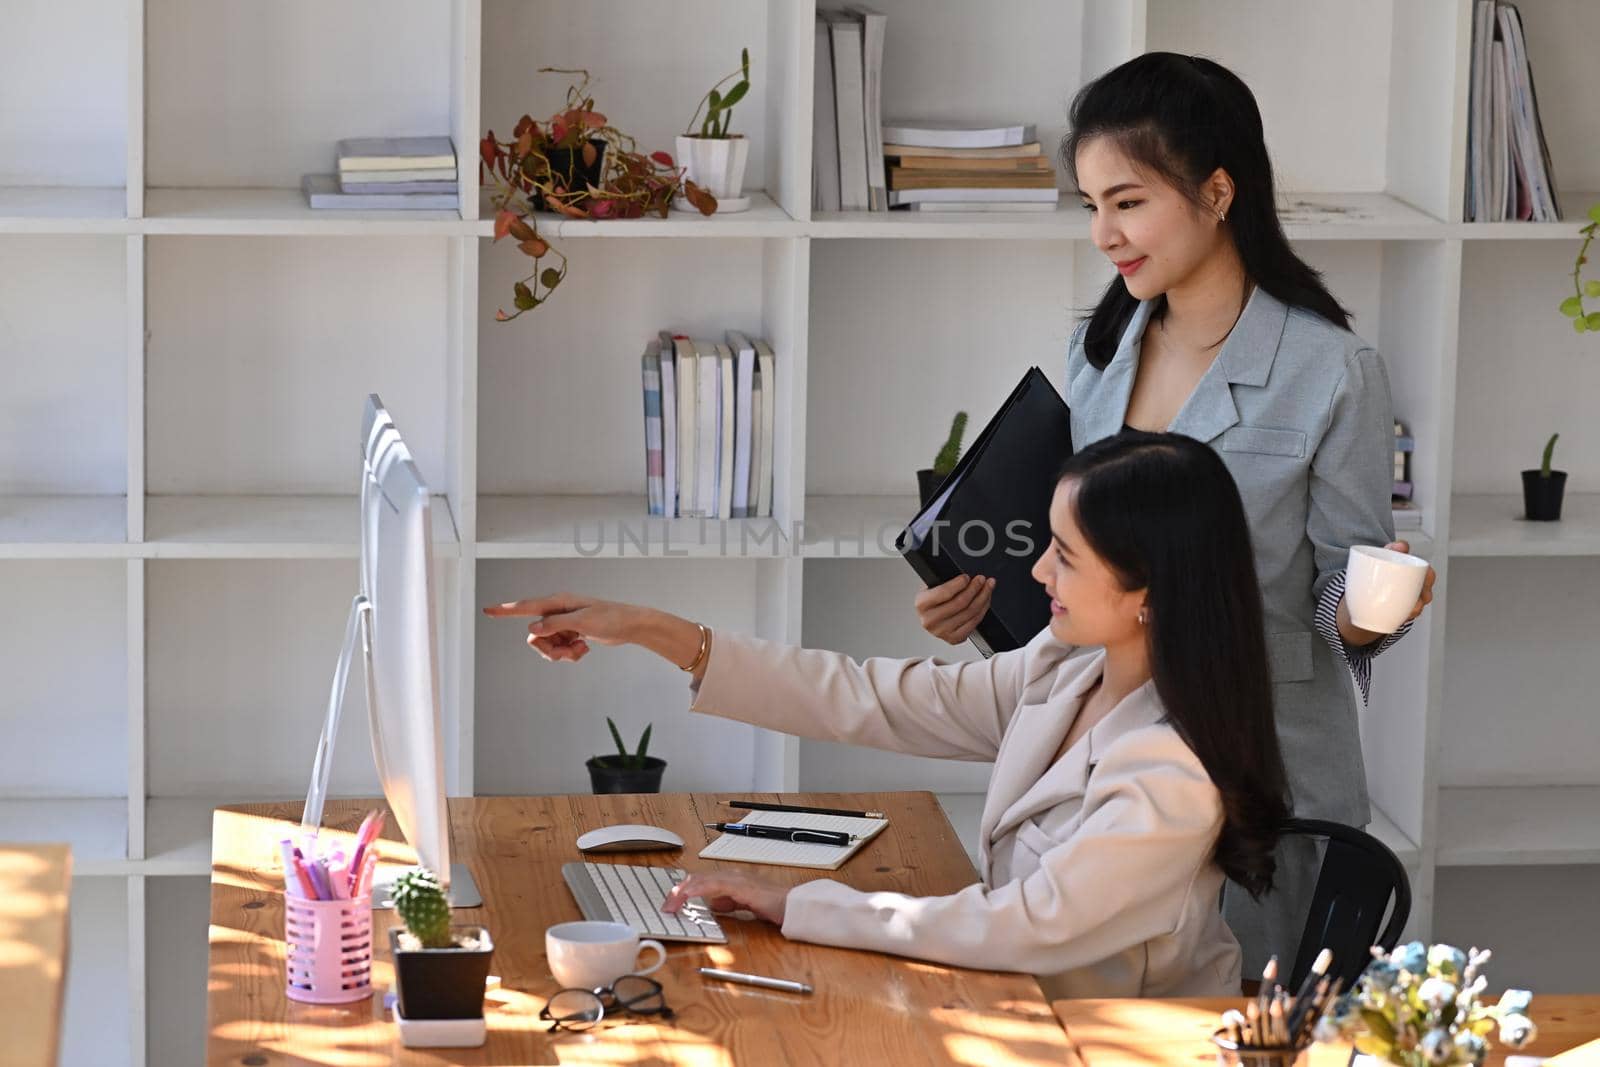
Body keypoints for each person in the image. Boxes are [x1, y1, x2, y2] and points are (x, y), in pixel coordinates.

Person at [909, 52, 1436, 974]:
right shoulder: (1098, 347)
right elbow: (1096, 558)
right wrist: (988, 605)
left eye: (1129, 201)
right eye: (1091, 206)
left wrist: (1366, 611)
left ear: (1219, 190)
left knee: (1230, 1029)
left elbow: (1332, 601)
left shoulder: (1332, 370)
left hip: (1254, 780)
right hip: (1104, 771)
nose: (1105, 234)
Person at [485, 432, 1291, 999]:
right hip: (1012, 998)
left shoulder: (1169, 771)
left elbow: (1027, 925)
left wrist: (796, 901)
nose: (1039, 568)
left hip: (1096, 1040)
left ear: (1150, 591)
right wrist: (650, 628)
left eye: (1066, 556)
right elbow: (871, 697)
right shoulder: (1065, 666)